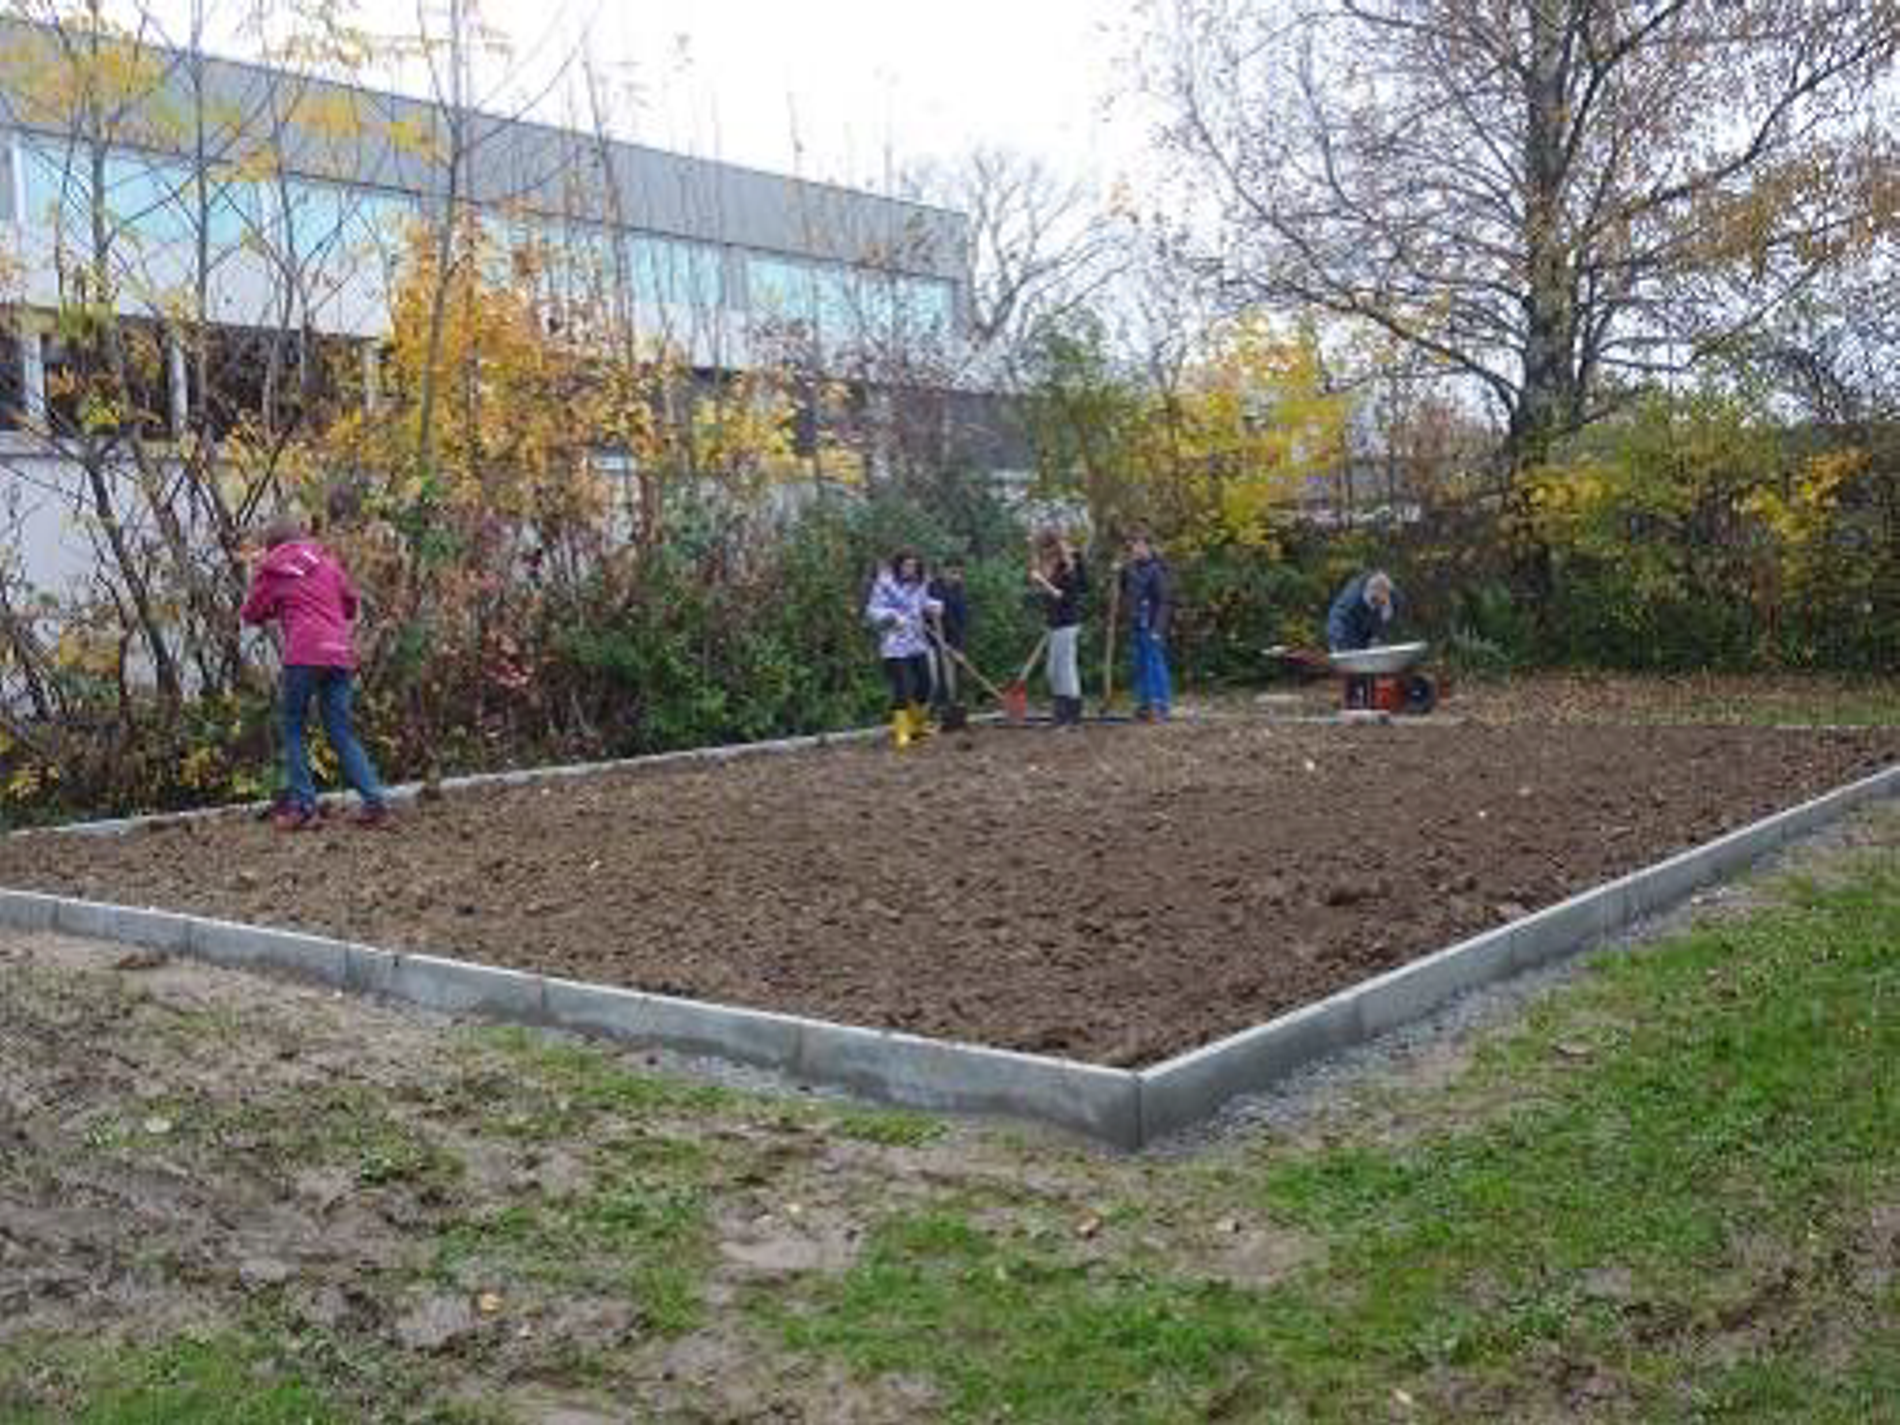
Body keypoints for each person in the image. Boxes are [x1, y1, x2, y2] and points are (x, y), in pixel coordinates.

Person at [241, 517, 390, 830]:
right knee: (341, 731)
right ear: (302, 537)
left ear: (272, 547)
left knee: (293, 726)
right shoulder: (327, 563)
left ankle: (305, 806)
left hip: (304, 653)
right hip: (339, 653)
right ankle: (375, 801)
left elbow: (251, 614)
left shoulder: (271, 570)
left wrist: (271, 599)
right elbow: (350, 604)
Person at [864, 549, 942, 750]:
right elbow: (872, 611)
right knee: (903, 688)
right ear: (898, 565)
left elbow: (922, 603)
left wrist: (933, 605)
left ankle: (917, 726)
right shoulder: (885, 584)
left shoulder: (919, 584)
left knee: (926, 685)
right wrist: (891, 616)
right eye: (907, 565)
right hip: (894, 646)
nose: (911, 569)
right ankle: (902, 731)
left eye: (914, 565)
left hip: (917, 642)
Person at [1028, 531, 1088, 728]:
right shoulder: (1054, 567)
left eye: (1045, 550)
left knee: (1066, 670)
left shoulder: (1068, 568)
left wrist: (1043, 582)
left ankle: (1071, 718)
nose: (1044, 555)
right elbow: (1041, 583)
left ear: (1053, 548)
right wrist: (1032, 549)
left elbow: (1063, 597)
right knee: (1053, 671)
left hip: (1068, 623)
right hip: (1055, 624)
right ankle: (1061, 715)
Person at [1327, 569, 1400, 710]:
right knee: (1354, 665)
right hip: (1348, 628)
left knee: (1373, 661)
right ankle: (1352, 701)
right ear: (1372, 593)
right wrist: (1337, 643)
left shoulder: (1394, 596)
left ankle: (1371, 701)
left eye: (1384, 598)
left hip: (1369, 625)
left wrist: (1378, 636)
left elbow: (1389, 619)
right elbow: (1337, 619)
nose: (1381, 601)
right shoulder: (1352, 598)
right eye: (1377, 599)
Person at [1120, 530, 1172, 722]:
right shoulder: (1130, 569)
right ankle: (1144, 704)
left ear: (1148, 548)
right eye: (1134, 545)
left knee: (1154, 664)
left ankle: (1160, 706)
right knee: (1140, 665)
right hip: (1136, 623)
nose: (1135, 549)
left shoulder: (1157, 569)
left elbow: (1164, 601)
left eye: (1139, 545)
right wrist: (1118, 573)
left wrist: (1158, 629)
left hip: (1151, 624)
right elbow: (1125, 591)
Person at [926, 557, 969, 716]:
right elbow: (926, 615)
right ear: (943, 571)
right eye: (952, 572)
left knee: (958, 670)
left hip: (954, 637)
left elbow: (962, 620)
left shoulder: (960, 589)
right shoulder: (932, 588)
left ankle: (956, 704)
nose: (956, 576)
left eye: (959, 573)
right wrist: (939, 640)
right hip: (934, 637)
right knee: (939, 673)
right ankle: (940, 707)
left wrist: (959, 648)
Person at [1327, 570, 1399, 652]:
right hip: (1346, 631)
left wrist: (1378, 637)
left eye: (1383, 600)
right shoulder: (1351, 602)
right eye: (1378, 601)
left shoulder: (1392, 595)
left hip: (1364, 625)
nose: (1381, 603)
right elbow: (1339, 625)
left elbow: (1383, 620)